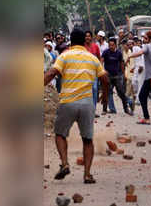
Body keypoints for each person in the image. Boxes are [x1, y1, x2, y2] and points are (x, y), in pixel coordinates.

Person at [44, 28, 109, 184]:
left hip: (68, 102)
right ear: (84, 41)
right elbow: (105, 79)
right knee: (87, 139)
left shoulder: (64, 56)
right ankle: (87, 174)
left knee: (60, 134)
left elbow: (52, 73)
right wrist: (105, 96)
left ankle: (65, 163)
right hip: (87, 104)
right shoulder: (92, 58)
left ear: (71, 41)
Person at [101, 38, 133, 115]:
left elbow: (121, 63)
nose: (111, 47)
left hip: (117, 76)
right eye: (109, 45)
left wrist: (124, 74)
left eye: (112, 45)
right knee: (106, 92)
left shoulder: (119, 53)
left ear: (115, 45)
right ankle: (104, 110)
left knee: (121, 93)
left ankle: (126, 109)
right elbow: (101, 61)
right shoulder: (106, 52)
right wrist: (102, 71)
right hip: (108, 75)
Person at [84, 31, 101, 117]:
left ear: (91, 37)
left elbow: (99, 58)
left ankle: (93, 111)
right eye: (86, 36)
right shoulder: (81, 47)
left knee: (94, 90)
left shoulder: (95, 46)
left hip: (93, 72)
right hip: (83, 73)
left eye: (89, 36)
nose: (87, 37)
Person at [123, 40, 136, 106]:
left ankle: (128, 103)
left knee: (128, 90)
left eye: (129, 45)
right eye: (127, 45)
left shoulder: (132, 53)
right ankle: (131, 101)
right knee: (130, 90)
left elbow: (133, 64)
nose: (127, 46)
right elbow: (123, 64)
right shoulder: (122, 53)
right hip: (125, 73)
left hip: (131, 74)